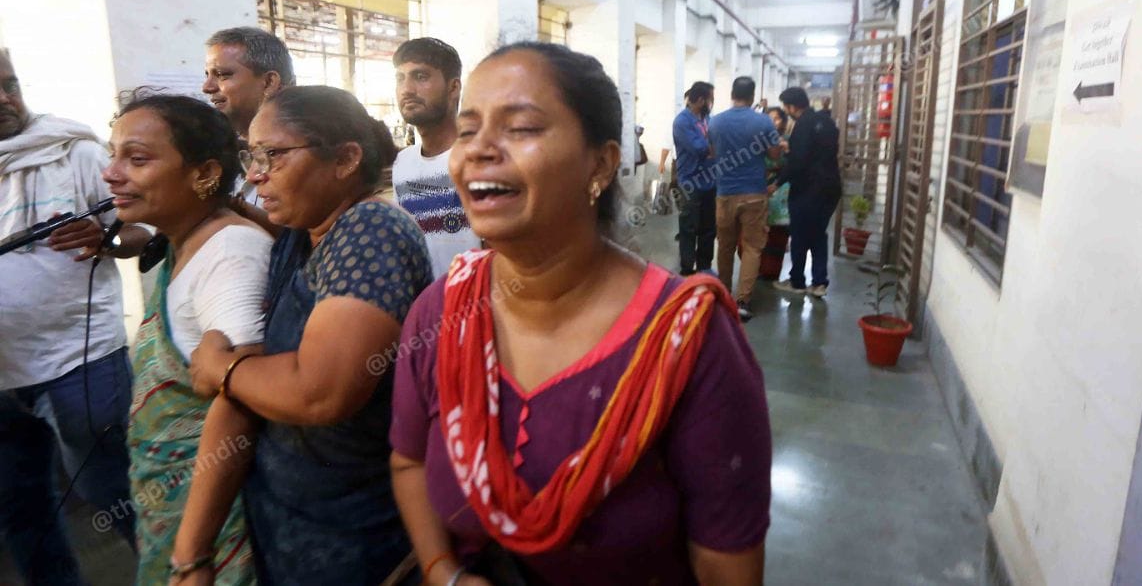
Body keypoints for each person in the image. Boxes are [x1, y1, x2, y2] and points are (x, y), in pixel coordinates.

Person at [389, 42, 771, 586]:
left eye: (520, 127)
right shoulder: (442, 314)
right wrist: (442, 570)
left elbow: (725, 567)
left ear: (601, 162)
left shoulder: (689, 341)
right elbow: (409, 462)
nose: (477, 150)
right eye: (468, 129)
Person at [184, 86, 433, 585]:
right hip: (297, 525)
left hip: (359, 535)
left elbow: (321, 392)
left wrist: (223, 369)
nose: (256, 174)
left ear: (345, 159)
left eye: (273, 155)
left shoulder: (371, 230)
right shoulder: (301, 236)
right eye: (251, 156)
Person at [102, 92, 272, 584]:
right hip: (174, 503)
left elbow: (241, 397)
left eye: (137, 159)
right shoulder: (187, 240)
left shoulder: (230, 255)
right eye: (112, 155)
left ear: (204, 174)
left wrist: (194, 554)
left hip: (215, 527)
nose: (112, 174)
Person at [0, 50, 143, 584]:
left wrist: (107, 239)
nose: (5, 99)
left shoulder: (74, 153)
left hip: (79, 362)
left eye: (11, 84)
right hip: (3, 376)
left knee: (118, 496)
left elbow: (141, 232)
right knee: (21, 511)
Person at [391, 37, 478, 276]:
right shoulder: (402, 164)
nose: (407, 89)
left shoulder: (478, 158)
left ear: (453, 87)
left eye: (420, 76)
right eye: (400, 78)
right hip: (423, 309)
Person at [708, 76, 783, 320]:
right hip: (754, 193)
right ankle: (742, 302)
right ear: (752, 97)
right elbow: (774, 154)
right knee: (752, 247)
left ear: (732, 93)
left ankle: (723, 295)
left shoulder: (715, 122)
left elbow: (711, 153)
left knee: (726, 246)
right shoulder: (763, 122)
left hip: (725, 192)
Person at [203, 27, 296, 208]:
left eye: (222, 75)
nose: (206, 87)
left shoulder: (303, 155)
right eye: (207, 75)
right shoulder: (231, 154)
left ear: (268, 82)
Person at [772, 87, 842, 298]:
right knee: (819, 234)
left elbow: (798, 162)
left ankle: (797, 281)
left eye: (786, 107)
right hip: (830, 187)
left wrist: (777, 182)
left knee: (800, 234)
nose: (787, 111)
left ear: (792, 106)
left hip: (808, 189)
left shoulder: (802, 125)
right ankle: (819, 283)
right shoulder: (826, 120)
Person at [672, 81, 716, 275]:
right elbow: (699, 149)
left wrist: (712, 148)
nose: (711, 103)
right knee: (689, 226)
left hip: (710, 180)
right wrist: (711, 147)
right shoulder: (682, 121)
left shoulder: (707, 119)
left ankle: (704, 266)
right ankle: (687, 267)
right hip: (690, 181)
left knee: (708, 227)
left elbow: (713, 145)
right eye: (710, 99)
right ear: (700, 100)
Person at [760, 107, 792, 281]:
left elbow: (793, 164)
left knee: (778, 233)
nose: (773, 122)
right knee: (758, 232)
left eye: (777, 118)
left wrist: (786, 151)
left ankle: (771, 272)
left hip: (781, 191)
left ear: (784, 122)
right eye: (769, 118)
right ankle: (757, 269)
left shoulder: (788, 141)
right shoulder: (758, 142)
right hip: (760, 189)